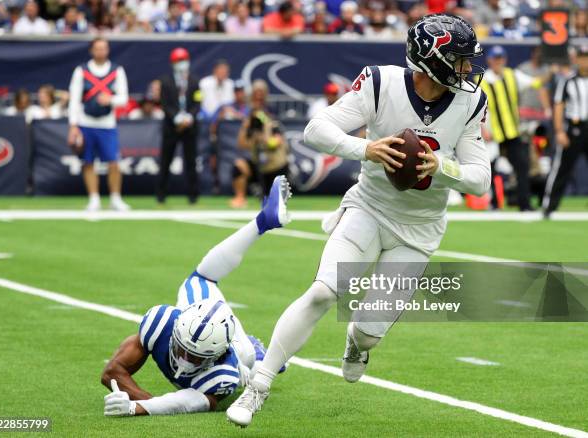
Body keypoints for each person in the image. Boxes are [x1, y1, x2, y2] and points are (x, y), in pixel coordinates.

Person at [226, 13, 491, 427]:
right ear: (431, 58)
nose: (466, 69)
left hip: (418, 232)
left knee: (368, 331)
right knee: (321, 293)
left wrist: (441, 165)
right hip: (367, 208)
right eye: (458, 59)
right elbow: (316, 130)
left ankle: (356, 342)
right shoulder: (380, 82)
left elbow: (480, 180)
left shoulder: (471, 101)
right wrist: (364, 149)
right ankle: (258, 385)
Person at [101, 176, 291, 417]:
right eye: (182, 349)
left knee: (246, 357)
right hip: (207, 326)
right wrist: (144, 399)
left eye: (195, 356)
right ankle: (263, 221)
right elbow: (111, 372)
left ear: (218, 355)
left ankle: (262, 358)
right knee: (198, 281)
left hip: (236, 355)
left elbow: (188, 401)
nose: (185, 360)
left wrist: (138, 405)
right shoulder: (163, 322)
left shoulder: (223, 374)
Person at [480, 45, 551, 211]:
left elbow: (537, 82)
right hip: (492, 133)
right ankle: (494, 203)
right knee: (489, 169)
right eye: (495, 59)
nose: (498, 62)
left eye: (501, 58)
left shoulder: (513, 76)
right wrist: (482, 129)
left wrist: (552, 71)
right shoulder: (482, 80)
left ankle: (524, 204)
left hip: (511, 131)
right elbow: (477, 108)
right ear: (489, 60)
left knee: (522, 166)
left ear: (504, 60)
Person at [67, 37, 130, 212]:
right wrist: (73, 125)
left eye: (104, 48)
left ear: (108, 50)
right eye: (98, 48)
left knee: (114, 162)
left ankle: (115, 198)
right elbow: (74, 99)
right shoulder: (81, 71)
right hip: (86, 122)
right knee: (88, 162)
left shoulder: (117, 70)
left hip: (107, 124)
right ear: (91, 51)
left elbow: (124, 99)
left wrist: (110, 99)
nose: (101, 51)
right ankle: (94, 198)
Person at [542, 44, 588, 218]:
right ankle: (549, 206)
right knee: (562, 168)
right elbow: (559, 105)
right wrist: (560, 131)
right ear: (576, 59)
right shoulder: (568, 80)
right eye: (582, 57)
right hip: (574, 128)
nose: (585, 61)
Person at [157, 47, 201, 204]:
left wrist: (189, 117)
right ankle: (161, 195)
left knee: (191, 162)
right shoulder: (165, 81)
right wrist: (176, 117)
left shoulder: (194, 81)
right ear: (173, 63)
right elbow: (164, 103)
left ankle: (193, 196)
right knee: (165, 161)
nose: (182, 64)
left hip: (189, 127)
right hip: (171, 127)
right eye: (179, 61)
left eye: (184, 60)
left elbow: (197, 102)